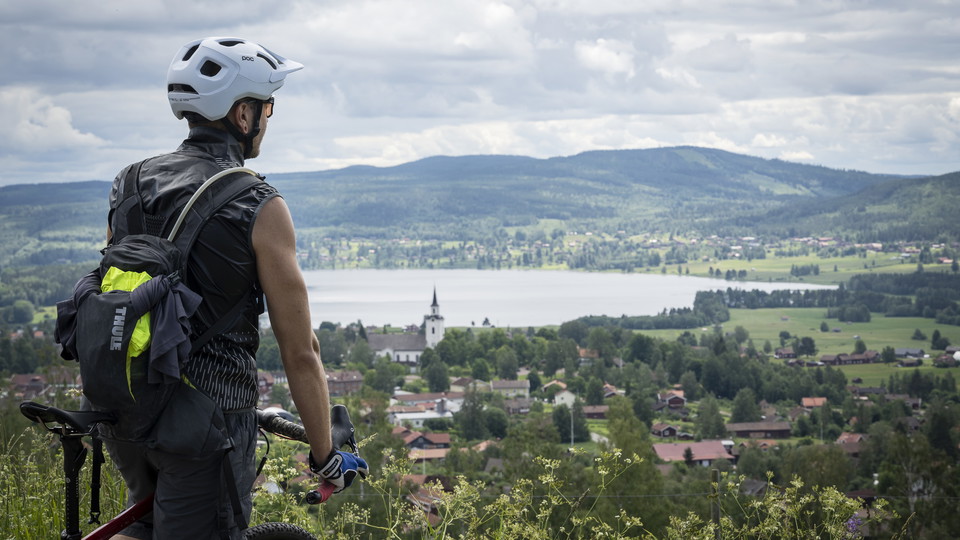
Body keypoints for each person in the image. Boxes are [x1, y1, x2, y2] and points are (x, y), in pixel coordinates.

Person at [103, 37, 366, 539]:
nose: (270, 117)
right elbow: (300, 349)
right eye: (268, 106)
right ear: (243, 115)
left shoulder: (129, 183)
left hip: (126, 407)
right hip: (208, 422)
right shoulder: (259, 203)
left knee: (147, 526)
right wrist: (326, 455)